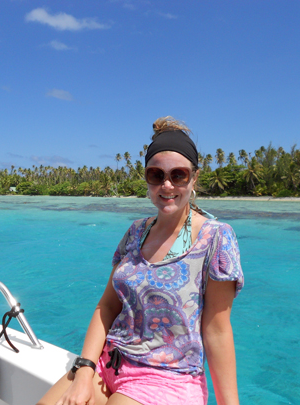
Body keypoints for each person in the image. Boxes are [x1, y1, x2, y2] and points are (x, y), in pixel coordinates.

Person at [38, 116, 244, 405]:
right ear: (147, 178)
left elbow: (217, 329)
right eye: (156, 175)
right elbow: (107, 306)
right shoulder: (136, 232)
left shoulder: (215, 238)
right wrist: (84, 372)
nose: (167, 185)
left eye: (179, 175)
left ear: (194, 178)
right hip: (110, 361)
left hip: (166, 375)